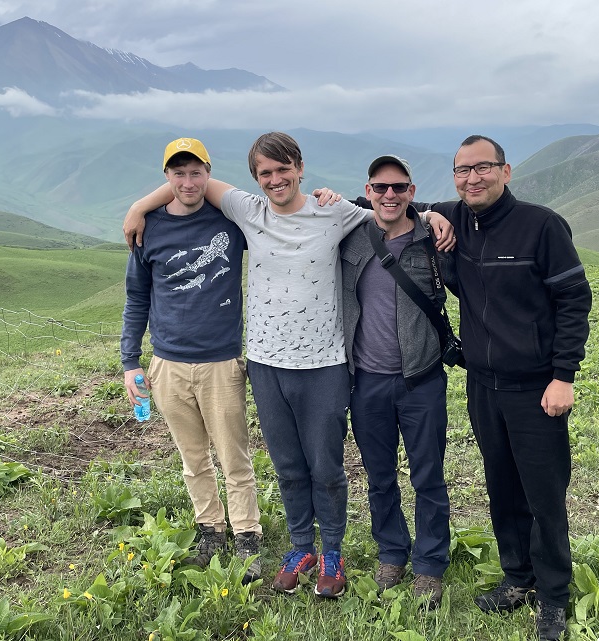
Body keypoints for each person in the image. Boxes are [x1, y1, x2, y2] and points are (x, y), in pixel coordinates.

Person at [123, 132, 454, 599]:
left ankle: (333, 551)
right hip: (264, 363)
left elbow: (392, 212)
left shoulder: (334, 212)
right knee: (288, 466)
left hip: (324, 364)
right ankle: (301, 546)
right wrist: (139, 207)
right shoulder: (246, 209)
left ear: (300, 168)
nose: (275, 180)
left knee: (326, 466)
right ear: (255, 178)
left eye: (284, 170)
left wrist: (435, 214)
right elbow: (193, 181)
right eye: (265, 173)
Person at [429, 135, 592, 641]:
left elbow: (573, 301)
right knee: (500, 484)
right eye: (462, 171)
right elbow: (386, 201)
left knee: (543, 494)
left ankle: (553, 597)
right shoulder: (452, 218)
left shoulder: (541, 226)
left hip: (536, 388)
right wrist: (328, 196)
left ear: (506, 171)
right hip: (482, 383)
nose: (472, 178)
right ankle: (516, 577)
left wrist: (563, 376)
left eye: (483, 168)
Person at [120, 137, 262, 583]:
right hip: (167, 364)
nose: (187, 181)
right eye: (178, 173)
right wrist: (130, 361)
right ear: (167, 176)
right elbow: (136, 298)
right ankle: (210, 530)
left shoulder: (230, 222)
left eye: (196, 172)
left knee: (233, 455)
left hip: (221, 361)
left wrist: (142, 201)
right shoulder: (150, 230)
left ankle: (248, 535)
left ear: (208, 172)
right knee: (192, 456)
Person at [340, 155, 451, 609]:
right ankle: (391, 552)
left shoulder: (433, 238)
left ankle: (429, 563)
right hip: (366, 381)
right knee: (379, 477)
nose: (390, 195)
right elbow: (299, 204)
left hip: (422, 379)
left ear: (412, 190)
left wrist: (431, 213)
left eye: (399, 187)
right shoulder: (350, 231)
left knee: (429, 476)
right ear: (367, 191)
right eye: (380, 187)